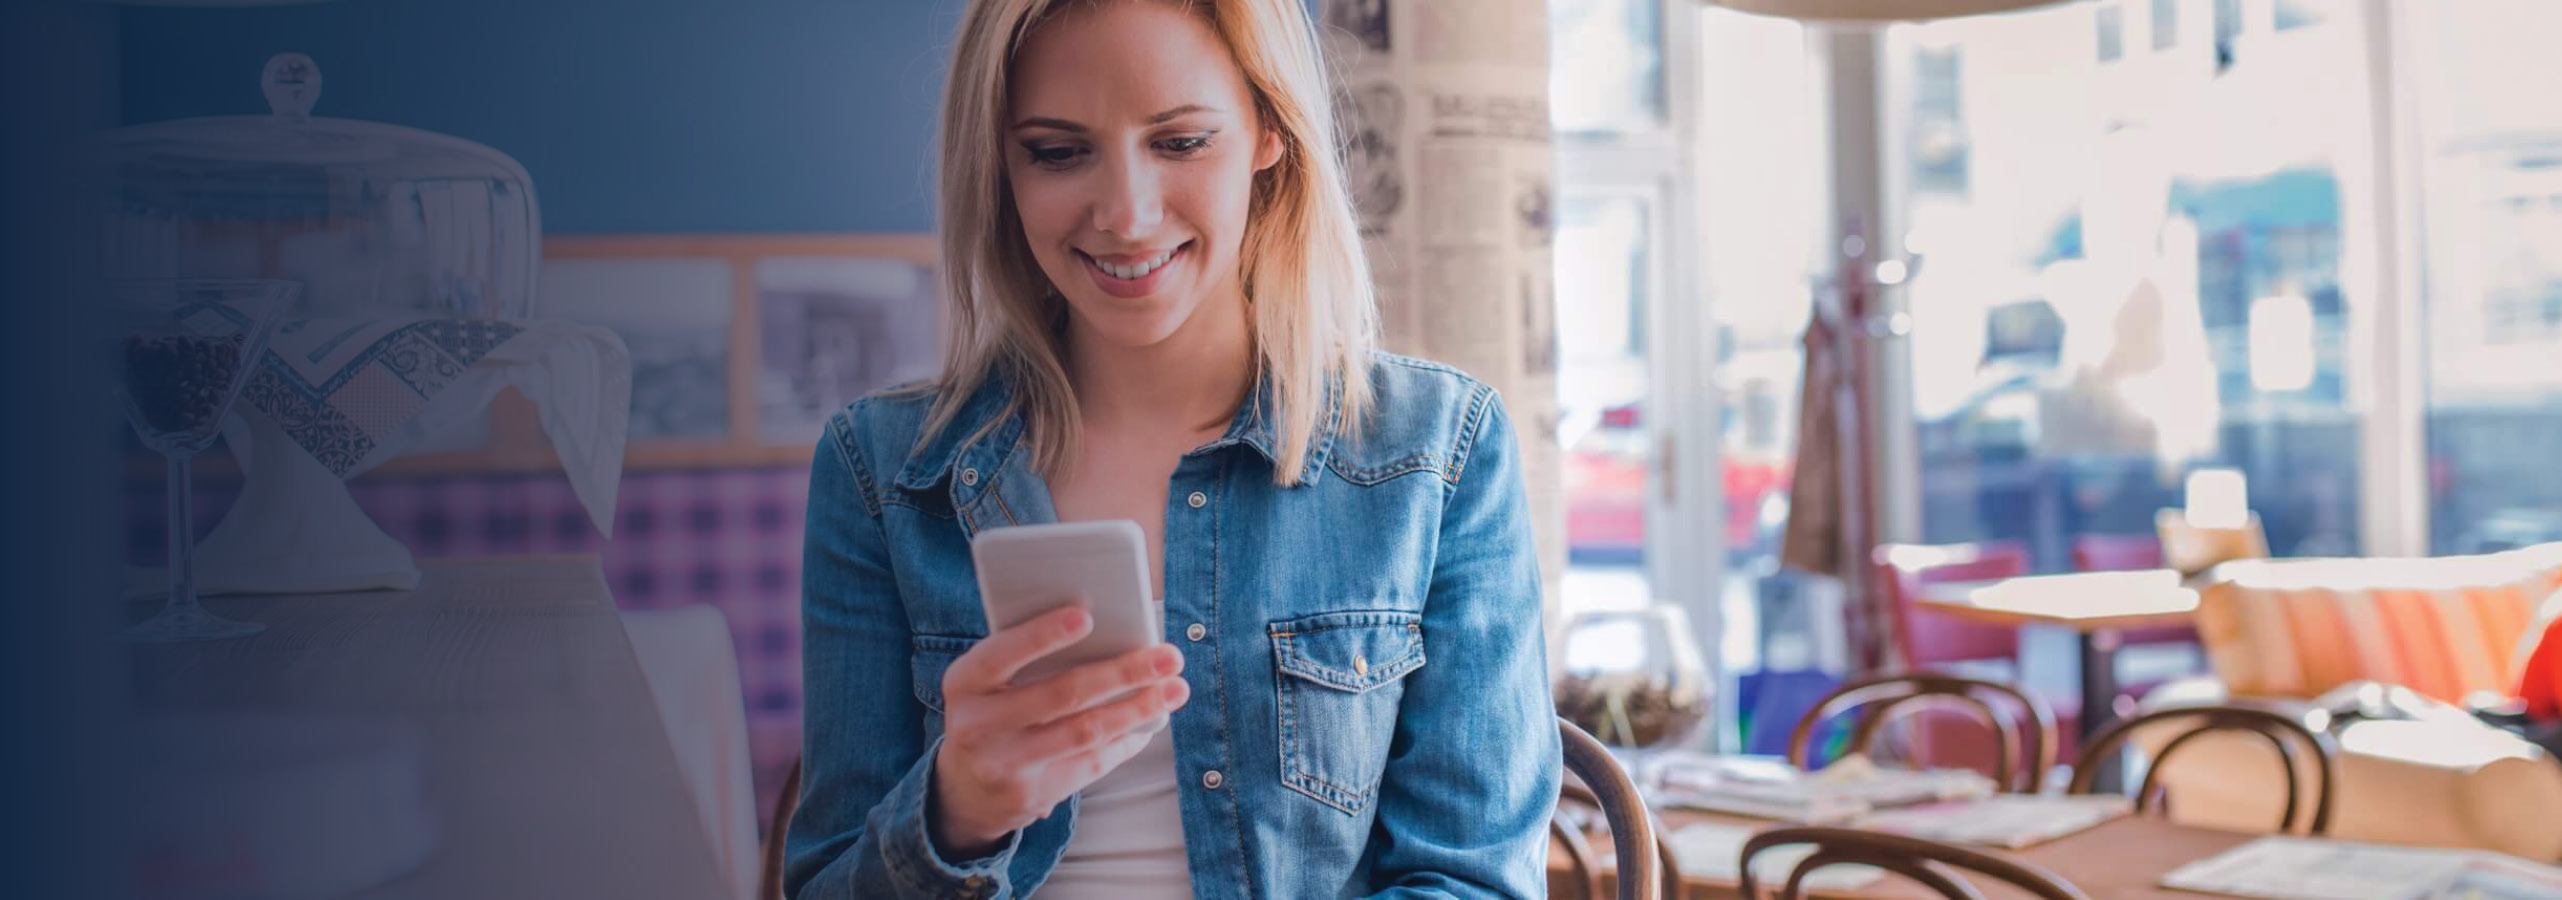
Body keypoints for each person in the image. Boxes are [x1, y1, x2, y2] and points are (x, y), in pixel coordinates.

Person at [783, 1, 1559, 898]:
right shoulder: (881, 471)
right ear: (1000, 163)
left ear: (1271, 132)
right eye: (1058, 151)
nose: (1126, 213)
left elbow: (1472, 880)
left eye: (1182, 142)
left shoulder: (1437, 451)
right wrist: (953, 812)